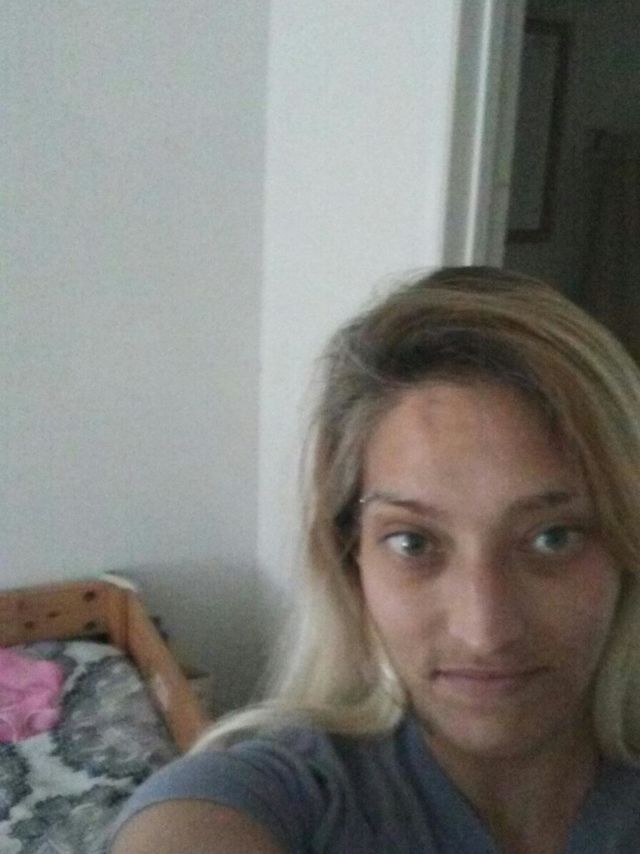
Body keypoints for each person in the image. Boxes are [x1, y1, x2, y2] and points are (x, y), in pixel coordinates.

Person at [110, 267, 640, 853]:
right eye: (414, 543)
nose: (484, 632)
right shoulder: (270, 798)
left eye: (553, 538)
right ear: (350, 559)